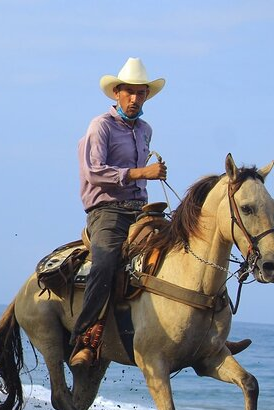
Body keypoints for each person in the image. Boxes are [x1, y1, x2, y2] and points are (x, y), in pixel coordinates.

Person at [69, 57, 167, 367]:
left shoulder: (145, 130)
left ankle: (202, 334)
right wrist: (141, 173)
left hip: (140, 210)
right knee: (106, 262)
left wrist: (150, 176)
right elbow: (94, 171)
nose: (136, 99)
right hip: (107, 210)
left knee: (181, 247)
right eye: (130, 92)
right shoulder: (101, 126)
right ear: (117, 93)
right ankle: (83, 339)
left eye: (141, 93)